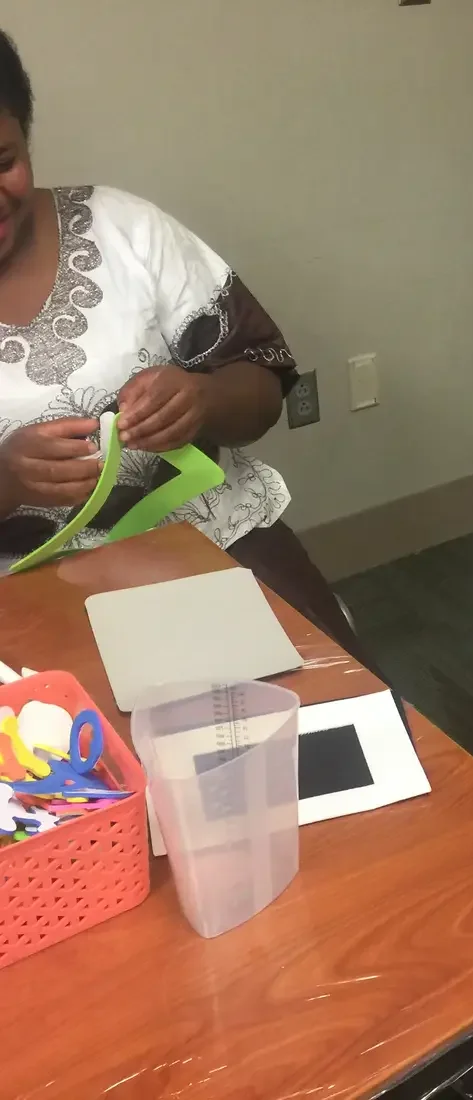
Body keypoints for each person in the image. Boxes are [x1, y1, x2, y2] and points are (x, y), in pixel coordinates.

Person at [0, 31, 370, 669]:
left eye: (0, 160)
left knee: (335, 725)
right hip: (26, 597)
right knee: (81, 759)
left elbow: (260, 384)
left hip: (204, 541)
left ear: (27, 137)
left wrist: (203, 398)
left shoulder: (125, 231)